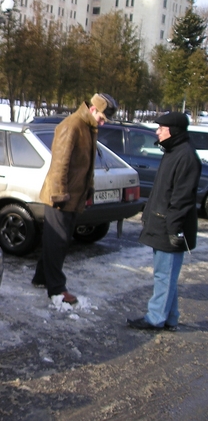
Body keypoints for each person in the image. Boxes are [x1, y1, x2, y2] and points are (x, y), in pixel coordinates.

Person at [32, 93, 118, 304]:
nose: (103, 122)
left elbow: (85, 166)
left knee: (56, 240)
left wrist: (88, 188)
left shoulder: (87, 126)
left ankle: (41, 277)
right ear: (92, 109)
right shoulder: (71, 126)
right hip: (61, 196)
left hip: (73, 195)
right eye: (102, 118)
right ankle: (56, 289)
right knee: (58, 242)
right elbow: (59, 165)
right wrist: (60, 194)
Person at [127, 112, 201, 331]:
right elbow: (161, 191)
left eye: (161, 128)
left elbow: (182, 198)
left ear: (174, 131)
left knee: (164, 276)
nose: (157, 131)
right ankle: (170, 317)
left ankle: (155, 318)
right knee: (166, 275)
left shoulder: (186, 156)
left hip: (171, 227)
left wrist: (174, 229)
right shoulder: (172, 152)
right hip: (161, 223)